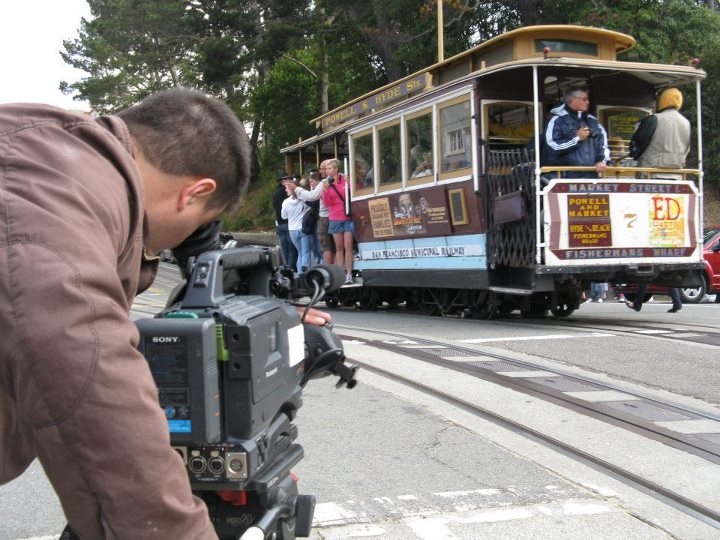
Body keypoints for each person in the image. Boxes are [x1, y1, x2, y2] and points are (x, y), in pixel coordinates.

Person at [0, 88, 332, 540]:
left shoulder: (52, 160)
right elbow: (89, 384)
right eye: (196, 222)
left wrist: (262, 302)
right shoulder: (49, 219)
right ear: (195, 191)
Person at [626, 88, 690, 313]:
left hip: (651, 180)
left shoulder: (653, 120)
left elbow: (636, 147)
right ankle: (644, 301)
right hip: (676, 183)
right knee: (661, 241)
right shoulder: (686, 123)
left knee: (647, 242)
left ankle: (638, 301)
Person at [543, 86, 610, 178]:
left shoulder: (593, 121)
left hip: (591, 176)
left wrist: (601, 161)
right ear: (573, 100)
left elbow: (603, 145)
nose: (588, 102)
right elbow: (553, 147)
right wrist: (577, 138)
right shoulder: (557, 120)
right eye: (584, 99)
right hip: (564, 177)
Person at [321, 158, 354, 284]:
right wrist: (325, 190)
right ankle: (341, 274)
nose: (327, 171)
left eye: (329, 168)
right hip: (335, 218)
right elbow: (327, 203)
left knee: (348, 245)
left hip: (347, 216)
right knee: (339, 247)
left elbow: (351, 194)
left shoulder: (344, 180)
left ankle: (349, 274)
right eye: (327, 169)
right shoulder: (327, 184)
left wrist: (349, 183)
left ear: (335, 169)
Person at [281, 178, 314, 272]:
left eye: (287, 188)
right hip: (303, 228)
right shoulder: (302, 200)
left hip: (292, 230)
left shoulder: (285, 202)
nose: (285, 190)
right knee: (306, 252)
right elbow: (309, 208)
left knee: (300, 252)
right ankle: (305, 273)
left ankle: (299, 274)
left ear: (291, 190)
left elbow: (284, 216)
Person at [273, 171, 298, 270]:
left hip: (279, 224)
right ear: (283, 181)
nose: (290, 181)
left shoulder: (275, 193)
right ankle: (291, 269)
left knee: (284, 250)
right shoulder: (287, 192)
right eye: (288, 179)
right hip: (288, 223)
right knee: (292, 249)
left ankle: (285, 269)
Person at [316, 161, 336, 265]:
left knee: (327, 247)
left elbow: (312, 196)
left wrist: (297, 189)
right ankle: (339, 272)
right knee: (337, 247)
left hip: (325, 216)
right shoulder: (340, 179)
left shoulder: (324, 182)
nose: (321, 171)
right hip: (336, 215)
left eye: (323, 168)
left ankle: (329, 273)